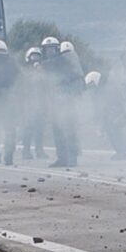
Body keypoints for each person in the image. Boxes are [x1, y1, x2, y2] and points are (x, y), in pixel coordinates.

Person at [42, 39, 85, 167]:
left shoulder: (64, 60)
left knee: (68, 128)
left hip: (66, 101)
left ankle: (72, 158)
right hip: (55, 102)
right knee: (57, 130)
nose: (50, 52)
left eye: (52, 49)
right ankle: (62, 158)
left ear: (57, 49)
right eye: (47, 49)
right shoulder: (51, 64)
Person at [85, 71, 126, 160]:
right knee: (113, 133)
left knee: (116, 133)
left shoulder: (107, 88)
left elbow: (115, 102)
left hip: (115, 114)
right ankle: (121, 152)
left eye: (91, 84)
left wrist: (116, 115)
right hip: (110, 115)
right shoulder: (101, 89)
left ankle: (123, 152)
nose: (91, 87)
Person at [19, 47, 48, 159]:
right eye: (33, 56)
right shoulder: (24, 71)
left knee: (39, 129)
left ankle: (39, 150)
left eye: (37, 56)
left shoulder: (43, 71)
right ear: (28, 58)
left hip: (40, 104)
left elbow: (46, 86)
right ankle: (26, 151)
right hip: (28, 104)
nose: (35, 59)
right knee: (27, 129)